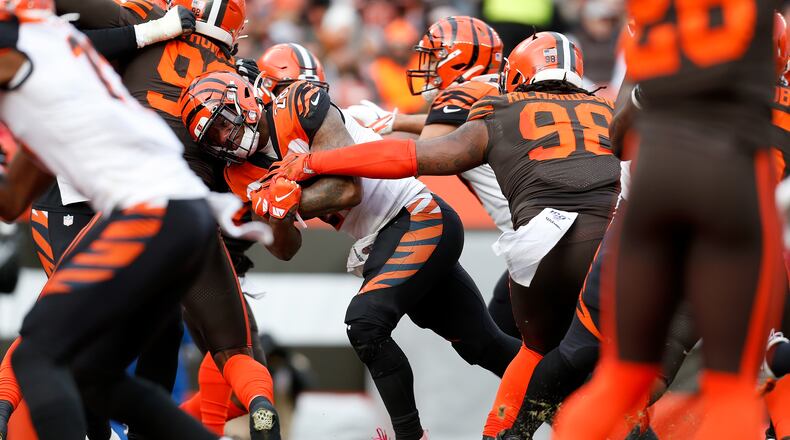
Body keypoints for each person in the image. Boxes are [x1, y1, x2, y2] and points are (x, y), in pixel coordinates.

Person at [260, 31, 621, 440]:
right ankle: (608, 425)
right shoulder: (606, 109)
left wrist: (313, 162)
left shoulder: (496, 103)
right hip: (611, 246)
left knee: (537, 349)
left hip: (531, 248)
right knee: (547, 351)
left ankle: (494, 433)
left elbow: (419, 155)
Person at [224, 43, 521, 440]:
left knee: (365, 322)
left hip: (415, 216)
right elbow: (286, 247)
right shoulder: (243, 167)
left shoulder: (303, 102)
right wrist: (272, 212)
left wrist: (291, 197)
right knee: (484, 345)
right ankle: (575, 401)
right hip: (390, 235)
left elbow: (348, 190)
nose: (317, 101)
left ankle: (410, 435)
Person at [0, 0, 237, 438]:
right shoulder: (57, 57)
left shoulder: (22, 44)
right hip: (182, 213)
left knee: (37, 354)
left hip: (149, 210)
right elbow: (12, 199)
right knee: (92, 375)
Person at [552, 0, 782, 438]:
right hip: (729, 174)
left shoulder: (648, 22)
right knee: (730, 388)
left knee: (621, 378)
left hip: (655, 175)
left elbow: (616, 138)